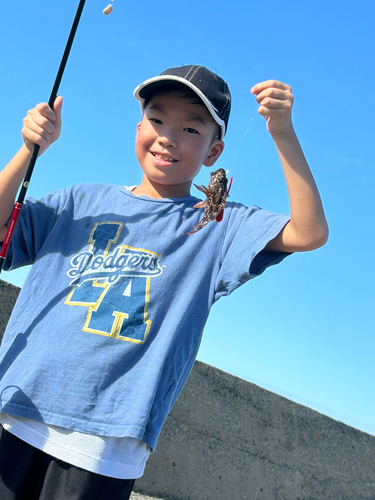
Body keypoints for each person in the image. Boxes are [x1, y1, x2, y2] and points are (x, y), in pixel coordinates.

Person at [0, 65, 328, 499]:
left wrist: (283, 133)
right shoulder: (77, 202)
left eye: (191, 128)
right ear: (138, 126)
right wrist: (27, 151)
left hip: (104, 445)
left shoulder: (217, 225)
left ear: (214, 153)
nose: (168, 137)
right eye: (157, 119)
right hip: (13, 407)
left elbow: (309, 233)